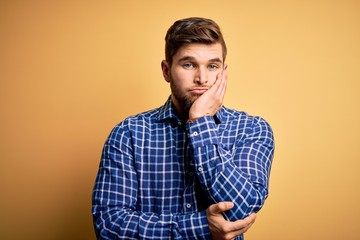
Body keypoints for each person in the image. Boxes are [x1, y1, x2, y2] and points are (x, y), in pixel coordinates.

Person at [92, 17, 275, 240]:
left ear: (223, 72)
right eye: (188, 64)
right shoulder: (128, 134)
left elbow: (241, 210)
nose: (202, 78)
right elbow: (109, 226)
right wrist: (200, 227)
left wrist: (200, 121)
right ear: (166, 70)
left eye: (212, 66)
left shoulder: (252, 129)